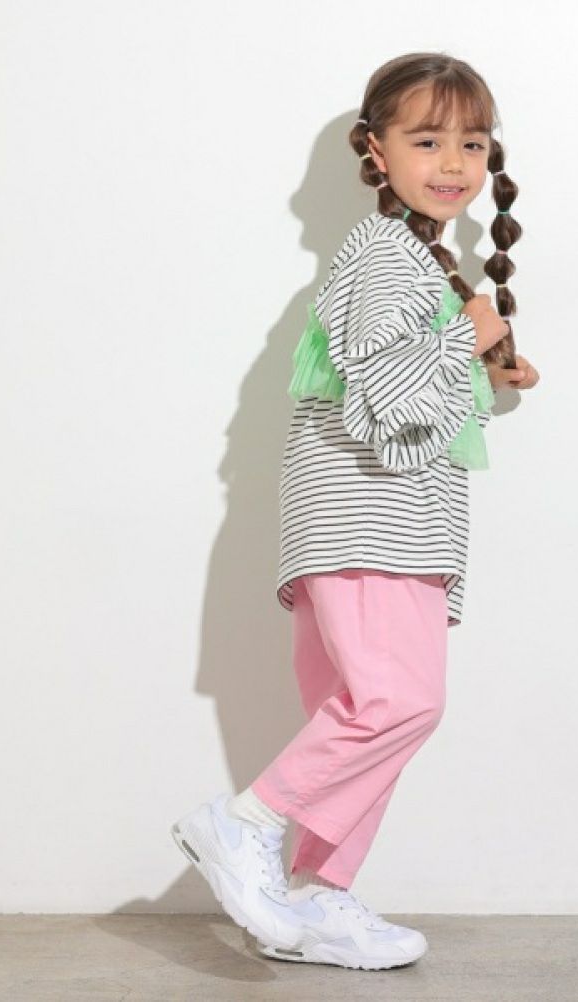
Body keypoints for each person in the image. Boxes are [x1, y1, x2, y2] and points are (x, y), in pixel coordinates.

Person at [171, 52, 539, 971]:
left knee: (358, 713)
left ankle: (316, 898)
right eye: (427, 140)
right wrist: (466, 336)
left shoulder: (416, 260)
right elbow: (382, 397)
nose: (453, 162)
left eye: (472, 143)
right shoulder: (384, 257)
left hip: (381, 522)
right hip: (366, 520)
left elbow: (389, 387)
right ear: (375, 151)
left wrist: (486, 370)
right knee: (397, 703)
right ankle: (246, 821)